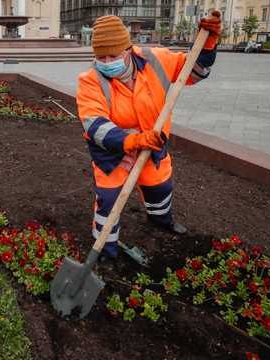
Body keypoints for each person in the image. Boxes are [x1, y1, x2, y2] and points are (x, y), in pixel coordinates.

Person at [76, 12, 222, 259]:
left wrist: (207, 44)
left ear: (128, 49)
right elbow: (94, 125)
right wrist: (131, 141)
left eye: (113, 55)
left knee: (160, 187)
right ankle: (104, 247)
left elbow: (195, 71)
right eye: (101, 57)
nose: (107, 61)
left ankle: (160, 219)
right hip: (113, 153)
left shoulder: (156, 59)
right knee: (109, 199)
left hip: (152, 145)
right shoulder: (90, 80)